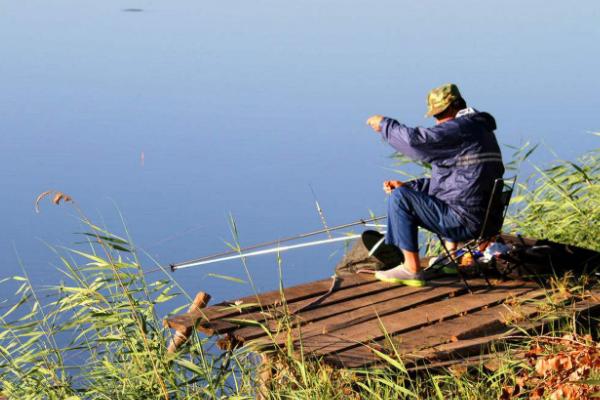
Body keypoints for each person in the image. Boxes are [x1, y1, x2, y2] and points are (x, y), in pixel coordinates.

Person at [366, 83, 504, 286]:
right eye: (435, 116)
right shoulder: (480, 129)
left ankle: (411, 269)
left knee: (399, 199)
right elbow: (456, 181)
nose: (438, 122)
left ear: (454, 107)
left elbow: (416, 142)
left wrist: (385, 125)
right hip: (486, 220)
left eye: (440, 115)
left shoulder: (460, 128)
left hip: (464, 221)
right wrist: (409, 187)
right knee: (405, 192)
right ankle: (452, 257)